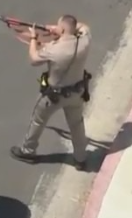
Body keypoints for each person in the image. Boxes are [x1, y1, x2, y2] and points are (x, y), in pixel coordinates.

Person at [10, 15, 93, 169]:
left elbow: (34, 59)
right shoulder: (84, 40)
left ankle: (28, 151)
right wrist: (60, 29)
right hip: (77, 92)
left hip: (54, 96)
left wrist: (34, 38)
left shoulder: (54, 49)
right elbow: (82, 26)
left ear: (61, 28)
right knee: (76, 125)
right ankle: (80, 158)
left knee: (38, 120)